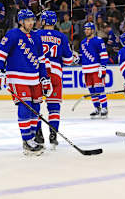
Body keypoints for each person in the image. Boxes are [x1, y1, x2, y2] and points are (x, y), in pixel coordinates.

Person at [0, 9, 52, 156]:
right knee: (25, 107)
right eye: (28, 20)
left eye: (32, 19)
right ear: (21, 21)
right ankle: (26, 140)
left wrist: (44, 78)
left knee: (35, 108)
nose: (31, 22)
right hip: (17, 78)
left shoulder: (36, 37)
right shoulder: (12, 34)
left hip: (34, 78)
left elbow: (41, 60)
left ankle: (32, 138)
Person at [35, 11, 77, 149]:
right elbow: (68, 60)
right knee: (54, 107)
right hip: (56, 75)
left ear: (42, 21)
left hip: (39, 73)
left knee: (36, 105)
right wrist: (73, 55)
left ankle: (38, 134)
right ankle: (53, 136)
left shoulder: (36, 35)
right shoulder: (61, 36)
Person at [79, 22, 109, 119]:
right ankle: (97, 108)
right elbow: (82, 57)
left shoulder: (98, 40)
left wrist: (103, 67)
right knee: (92, 91)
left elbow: (104, 55)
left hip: (96, 69)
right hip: (86, 70)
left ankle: (104, 108)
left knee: (99, 89)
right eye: (85, 29)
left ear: (93, 30)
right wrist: (77, 59)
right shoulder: (83, 42)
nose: (86, 31)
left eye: (88, 29)